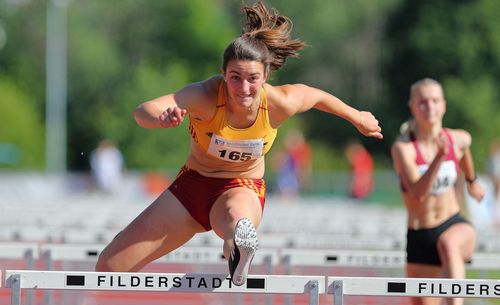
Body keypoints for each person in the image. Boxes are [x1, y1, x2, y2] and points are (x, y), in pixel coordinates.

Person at [95, 1, 382, 286]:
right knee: (108, 267)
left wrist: (357, 117)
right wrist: (161, 118)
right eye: (235, 78)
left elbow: (315, 96)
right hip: (191, 188)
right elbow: (142, 111)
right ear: (223, 74)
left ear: (265, 76)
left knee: (235, 219)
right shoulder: (205, 96)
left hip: (242, 187)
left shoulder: (279, 102)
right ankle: (236, 245)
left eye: (252, 79)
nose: (244, 88)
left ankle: (238, 247)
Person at [391, 78, 485, 305]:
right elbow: (417, 194)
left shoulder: (456, 139)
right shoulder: (404, 148)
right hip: (420, 237)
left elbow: (466, 147)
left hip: (455, 224)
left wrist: (471, 181)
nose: (429, 107)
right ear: (413, 108)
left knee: (449, 244)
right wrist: (437, 159)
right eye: (422, 102)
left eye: (435, 101)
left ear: (444, 105)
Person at [275, 129, 312, 197]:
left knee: (290, 195)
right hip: (286, 178)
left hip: (292, 179)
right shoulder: (286, 152)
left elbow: (304, 166)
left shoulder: (300, 152)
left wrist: (304, 177)